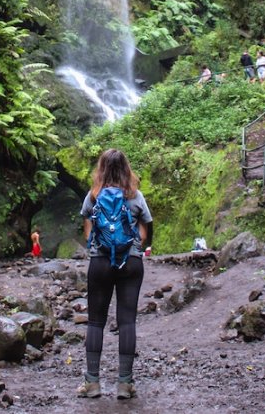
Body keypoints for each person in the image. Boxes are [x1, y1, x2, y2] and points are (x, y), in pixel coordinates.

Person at [78, 149, 153, 400]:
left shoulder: (93, 196)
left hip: (100, 263)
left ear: (101, 170)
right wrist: (135, 246)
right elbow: (145, 229)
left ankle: (92, 383)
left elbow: (87, 229)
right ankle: (124, 384)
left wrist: (99, 245)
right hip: (130, 262)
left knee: (95, 321)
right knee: (127, 321)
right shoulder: (136, 196)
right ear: (126, 170)